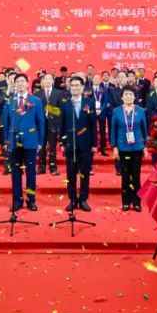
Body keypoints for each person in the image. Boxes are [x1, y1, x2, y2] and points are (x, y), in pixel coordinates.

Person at [2, 73, 45, 212]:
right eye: (17, 82)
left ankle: (31, 200)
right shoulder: (10, 101)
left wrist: (40, 141)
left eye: (22, 81)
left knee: (31, 173)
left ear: (27, 84)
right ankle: (17, 201)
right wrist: (6, 141)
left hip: (30, 142)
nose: (20, 84)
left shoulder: (36, 100)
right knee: (15, 173)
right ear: (14, 84)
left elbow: (41, 122)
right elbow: (6, 123)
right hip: (14, 142)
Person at [61, 76, 97, 212]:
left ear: (82, 88)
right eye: (73, 85)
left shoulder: (90, 103)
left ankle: (83, 199)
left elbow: (93, 124)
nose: (75, 88)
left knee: (84, 173)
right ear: (69, 88)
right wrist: (63, 142)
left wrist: (94, 144)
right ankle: (72, 199)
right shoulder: (65, 103)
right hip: (70, 144)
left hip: (86, 144)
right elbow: (62, 125)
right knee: (70, 174)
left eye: (77, 85)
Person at [111, 88, 146, 212]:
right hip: (122, 147)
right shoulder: (116, 111)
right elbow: (113, 129)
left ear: (134, 97)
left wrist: (145, 146)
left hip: (137, 147)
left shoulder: (140, 110)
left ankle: (136, 202)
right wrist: (114, 147)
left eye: (131, 94)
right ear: (122, 97)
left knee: (136, 176)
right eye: (126, 94)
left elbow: (144, 129)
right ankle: (126, 201)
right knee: (125, 176)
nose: (128, 96)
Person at [36, 73, 66, 176]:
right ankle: (41, 167)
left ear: (53, 81)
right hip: (41, 124)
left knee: (52, 147)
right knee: (41, 146)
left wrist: (49, 109)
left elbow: (61, 110)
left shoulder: (59, 93)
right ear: (43, 81)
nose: (48, 80)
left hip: (53, 124)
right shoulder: (37, 94)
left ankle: (53, 167)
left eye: (50, 79)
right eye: (46, 79)